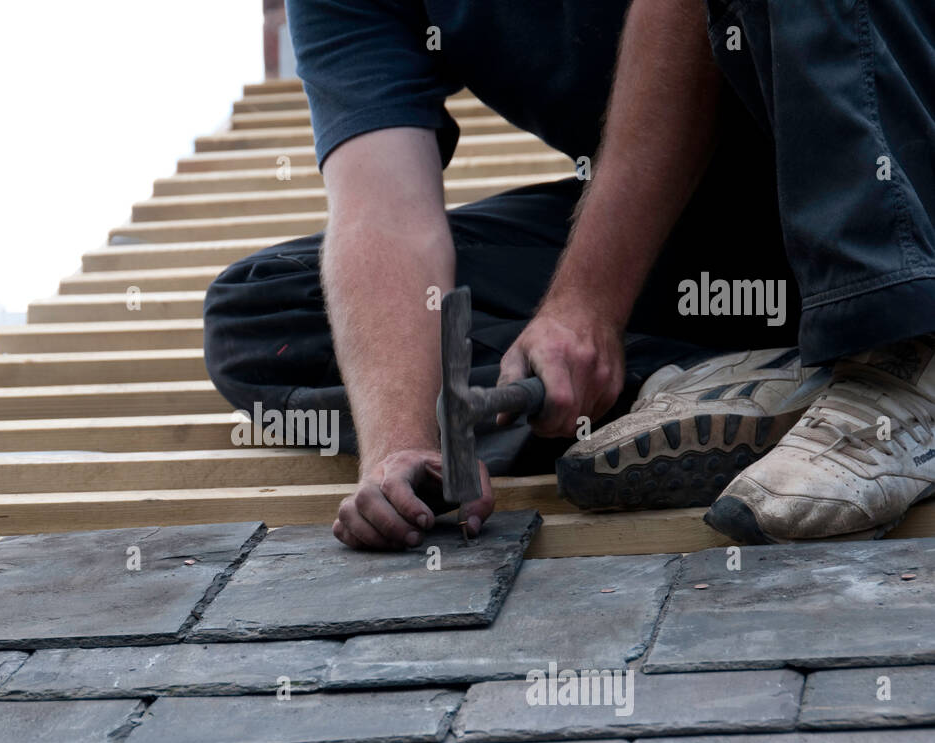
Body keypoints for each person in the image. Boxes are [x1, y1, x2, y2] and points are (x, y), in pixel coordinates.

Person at [204, 0, 935, 548]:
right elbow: (382, 216)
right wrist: (399, 442)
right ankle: (724, 384)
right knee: (270, 313)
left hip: (902, 165)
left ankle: (902, 361)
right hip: (747, 236)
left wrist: (587, 301)